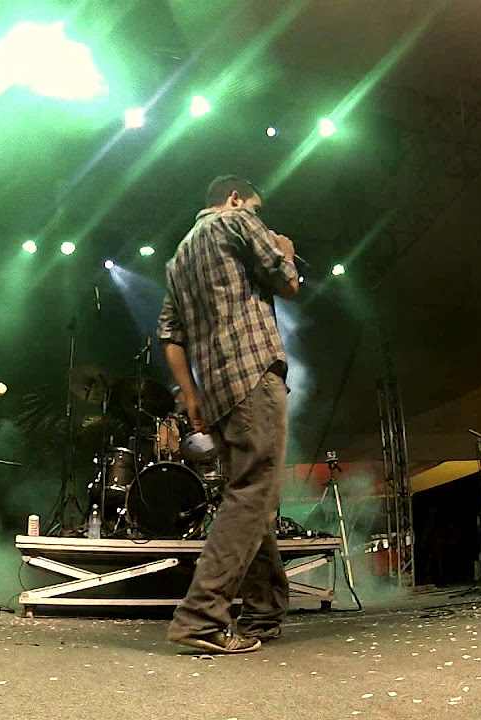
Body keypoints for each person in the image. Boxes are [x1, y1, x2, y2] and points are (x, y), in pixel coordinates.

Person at [156, 175, 299, 653]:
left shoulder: (178, 258)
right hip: (253, 374)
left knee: (252, 496)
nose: (256, 215)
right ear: (235, 199)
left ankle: (264, 611)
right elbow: (287, 282)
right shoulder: (236, 221)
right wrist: (285, 250)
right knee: (253, 493)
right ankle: (200, 617)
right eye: (254, 207)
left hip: (216, 393)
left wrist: (191, 395)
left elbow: (170, 335)